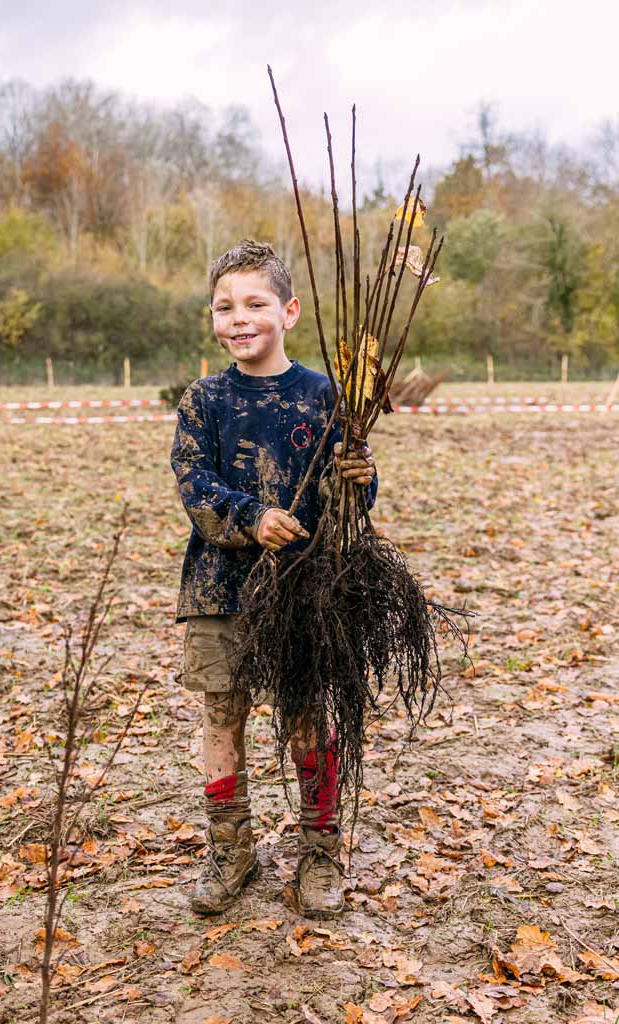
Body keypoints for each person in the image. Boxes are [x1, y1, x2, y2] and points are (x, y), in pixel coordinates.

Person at [170, 239, 376, 918]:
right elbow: (193, 485)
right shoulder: (203, 399)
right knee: (221, 717)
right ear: (212, 318)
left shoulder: (324, 394)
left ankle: (320, 851)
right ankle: (230, 850)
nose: (239, 317)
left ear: (288, 311)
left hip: (305, 591)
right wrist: (251, 516)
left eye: (255, 303)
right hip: (218, 589)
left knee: (308, 718)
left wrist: (358, 482)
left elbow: (344, 507)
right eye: (224, 307)